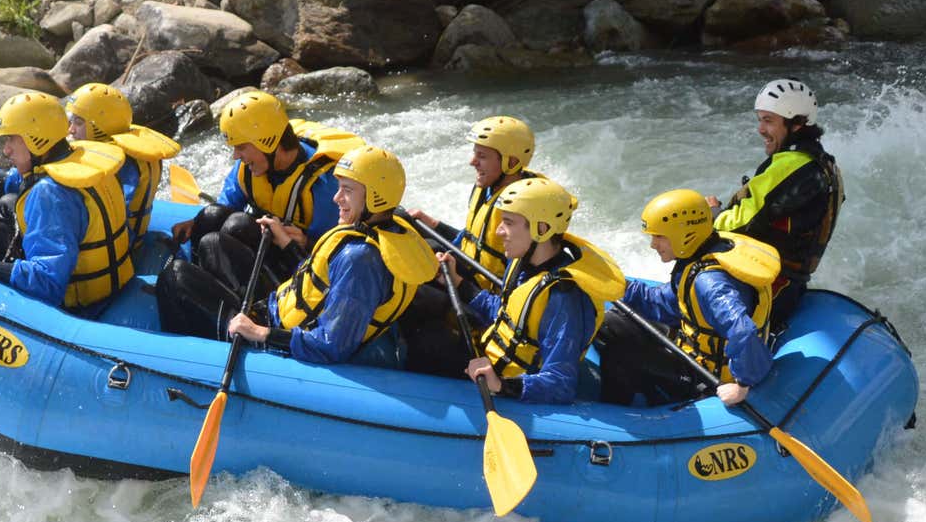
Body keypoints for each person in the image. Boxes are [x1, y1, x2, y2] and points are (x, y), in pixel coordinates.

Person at [159, 145, 438, 367]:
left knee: (174, 277)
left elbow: (332, 345)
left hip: (280, 340)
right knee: (212, 243)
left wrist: (261, 333)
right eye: (339, 187)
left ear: (376, 197)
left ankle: (188, 365)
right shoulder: (380, 230)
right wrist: (286, 245)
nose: (336, 198)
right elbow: (322, 284)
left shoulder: (362, 261)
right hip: (280, 311)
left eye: (348, 191)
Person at [0, 92, 136, 311]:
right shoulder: (83, 159)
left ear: (36, 141)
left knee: (5, 205)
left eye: (11, 139)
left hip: (80, 306)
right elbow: (25, 178)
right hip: (114, 283)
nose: (6, 150)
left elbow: (47, 282)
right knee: (5, 203)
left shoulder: (49, 195)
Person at [597, 188, 779, 408]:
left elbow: (743, 331)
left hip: (705, 375)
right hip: (692, 346)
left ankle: (618, 417)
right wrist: (615, 285)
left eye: (659, 237)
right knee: (612, 323)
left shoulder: (710, 284)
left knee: (620, 355)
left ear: (683, 234)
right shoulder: (703, 254)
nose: (653, 244)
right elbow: (665, 303)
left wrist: (741, 384)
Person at [454, 176, 625, 405]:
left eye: (508, 222)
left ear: (541, 229)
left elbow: (560, 382)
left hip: (513, 385)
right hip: (489, 358)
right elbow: (507, 314)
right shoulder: (523, 262)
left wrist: (502, 385)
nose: (498, 232)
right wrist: (460, 284)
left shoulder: (563, 296)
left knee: (429, 344)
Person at [173, 88, 342, 299]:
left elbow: (335, 260)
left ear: (268, 141)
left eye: (241, 147)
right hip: (267, 249)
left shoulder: (325, 185)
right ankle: (199, 283)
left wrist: (307, 243)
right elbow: (224, 207)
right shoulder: (251, 167)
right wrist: (195, 223)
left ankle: (249, 309)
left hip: (301, 267)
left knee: (226, 234)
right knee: (213, 217)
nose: (236, 156)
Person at [709, 78, 843, 329]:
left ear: (797, 124)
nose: (760, 129)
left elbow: (741, 224)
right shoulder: (825, 162)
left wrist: (712, 213)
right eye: (760, 119)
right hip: (790, 284)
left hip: (768, 288)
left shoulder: (791, 165)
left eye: (768, 120)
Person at [409, 115, 542, 280]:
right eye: (474, 154)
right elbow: (474, 241)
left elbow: (515, 285)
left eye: (482, 156)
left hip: (486, 293)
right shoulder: (487, 187)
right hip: (471, 269)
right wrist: (434, 225)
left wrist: (459, 283)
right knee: (410, 231)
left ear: (511, 162)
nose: (473, 162)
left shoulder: (523, 209)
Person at [62, 82, 181, 246]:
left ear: (100, 127)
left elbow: (115, 218)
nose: (71, 130)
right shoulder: (117, 153)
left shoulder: (119, 164)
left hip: (120, 246)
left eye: (79, 122)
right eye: (71, 121)